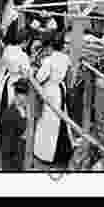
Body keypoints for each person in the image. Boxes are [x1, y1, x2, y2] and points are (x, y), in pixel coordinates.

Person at [33, 33, 73, 167]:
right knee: (60, 120)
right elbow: (69, 75)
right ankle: (62, 151)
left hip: (50, 91)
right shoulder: (66, 58)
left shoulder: (48, 61)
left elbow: (39, 78)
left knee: (48, 122)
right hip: (61, 89)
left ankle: (46, 153)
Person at [0, 29, 31, 150]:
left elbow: (3, 65)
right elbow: (26, 73)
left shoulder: (8, 50)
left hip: (6, 82)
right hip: (17, 83)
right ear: (25, 42)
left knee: (2, 109)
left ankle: (0, 138)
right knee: (16, 112)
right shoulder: (23, 55)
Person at [0, 77, 30, 171]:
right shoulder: (10, 114)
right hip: (12, 153)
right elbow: (8, 143)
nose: (26, 98)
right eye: (23, 95)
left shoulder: (19, 110)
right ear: (17, 95)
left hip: (17, 151)